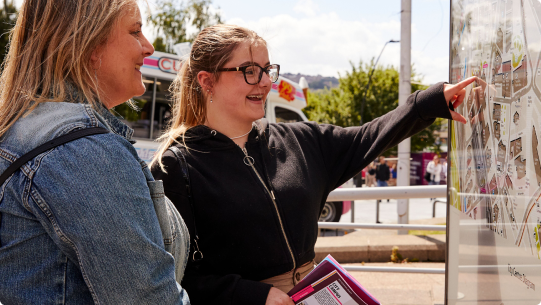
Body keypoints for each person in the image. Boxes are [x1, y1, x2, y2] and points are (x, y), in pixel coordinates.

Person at [150, 24, 475, 305]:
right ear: (207, 81)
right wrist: (250, 295)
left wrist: (429, 103)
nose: (264, 82)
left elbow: (366, 137)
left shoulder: (301, 140)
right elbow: (170, 276)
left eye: (268, 70)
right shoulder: (175, 166)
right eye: (249, 71)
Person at [0, 1, 190, 304]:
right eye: (136, 31)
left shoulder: (26, 130)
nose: (149, 47)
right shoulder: (84, 152)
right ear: (88, 41)